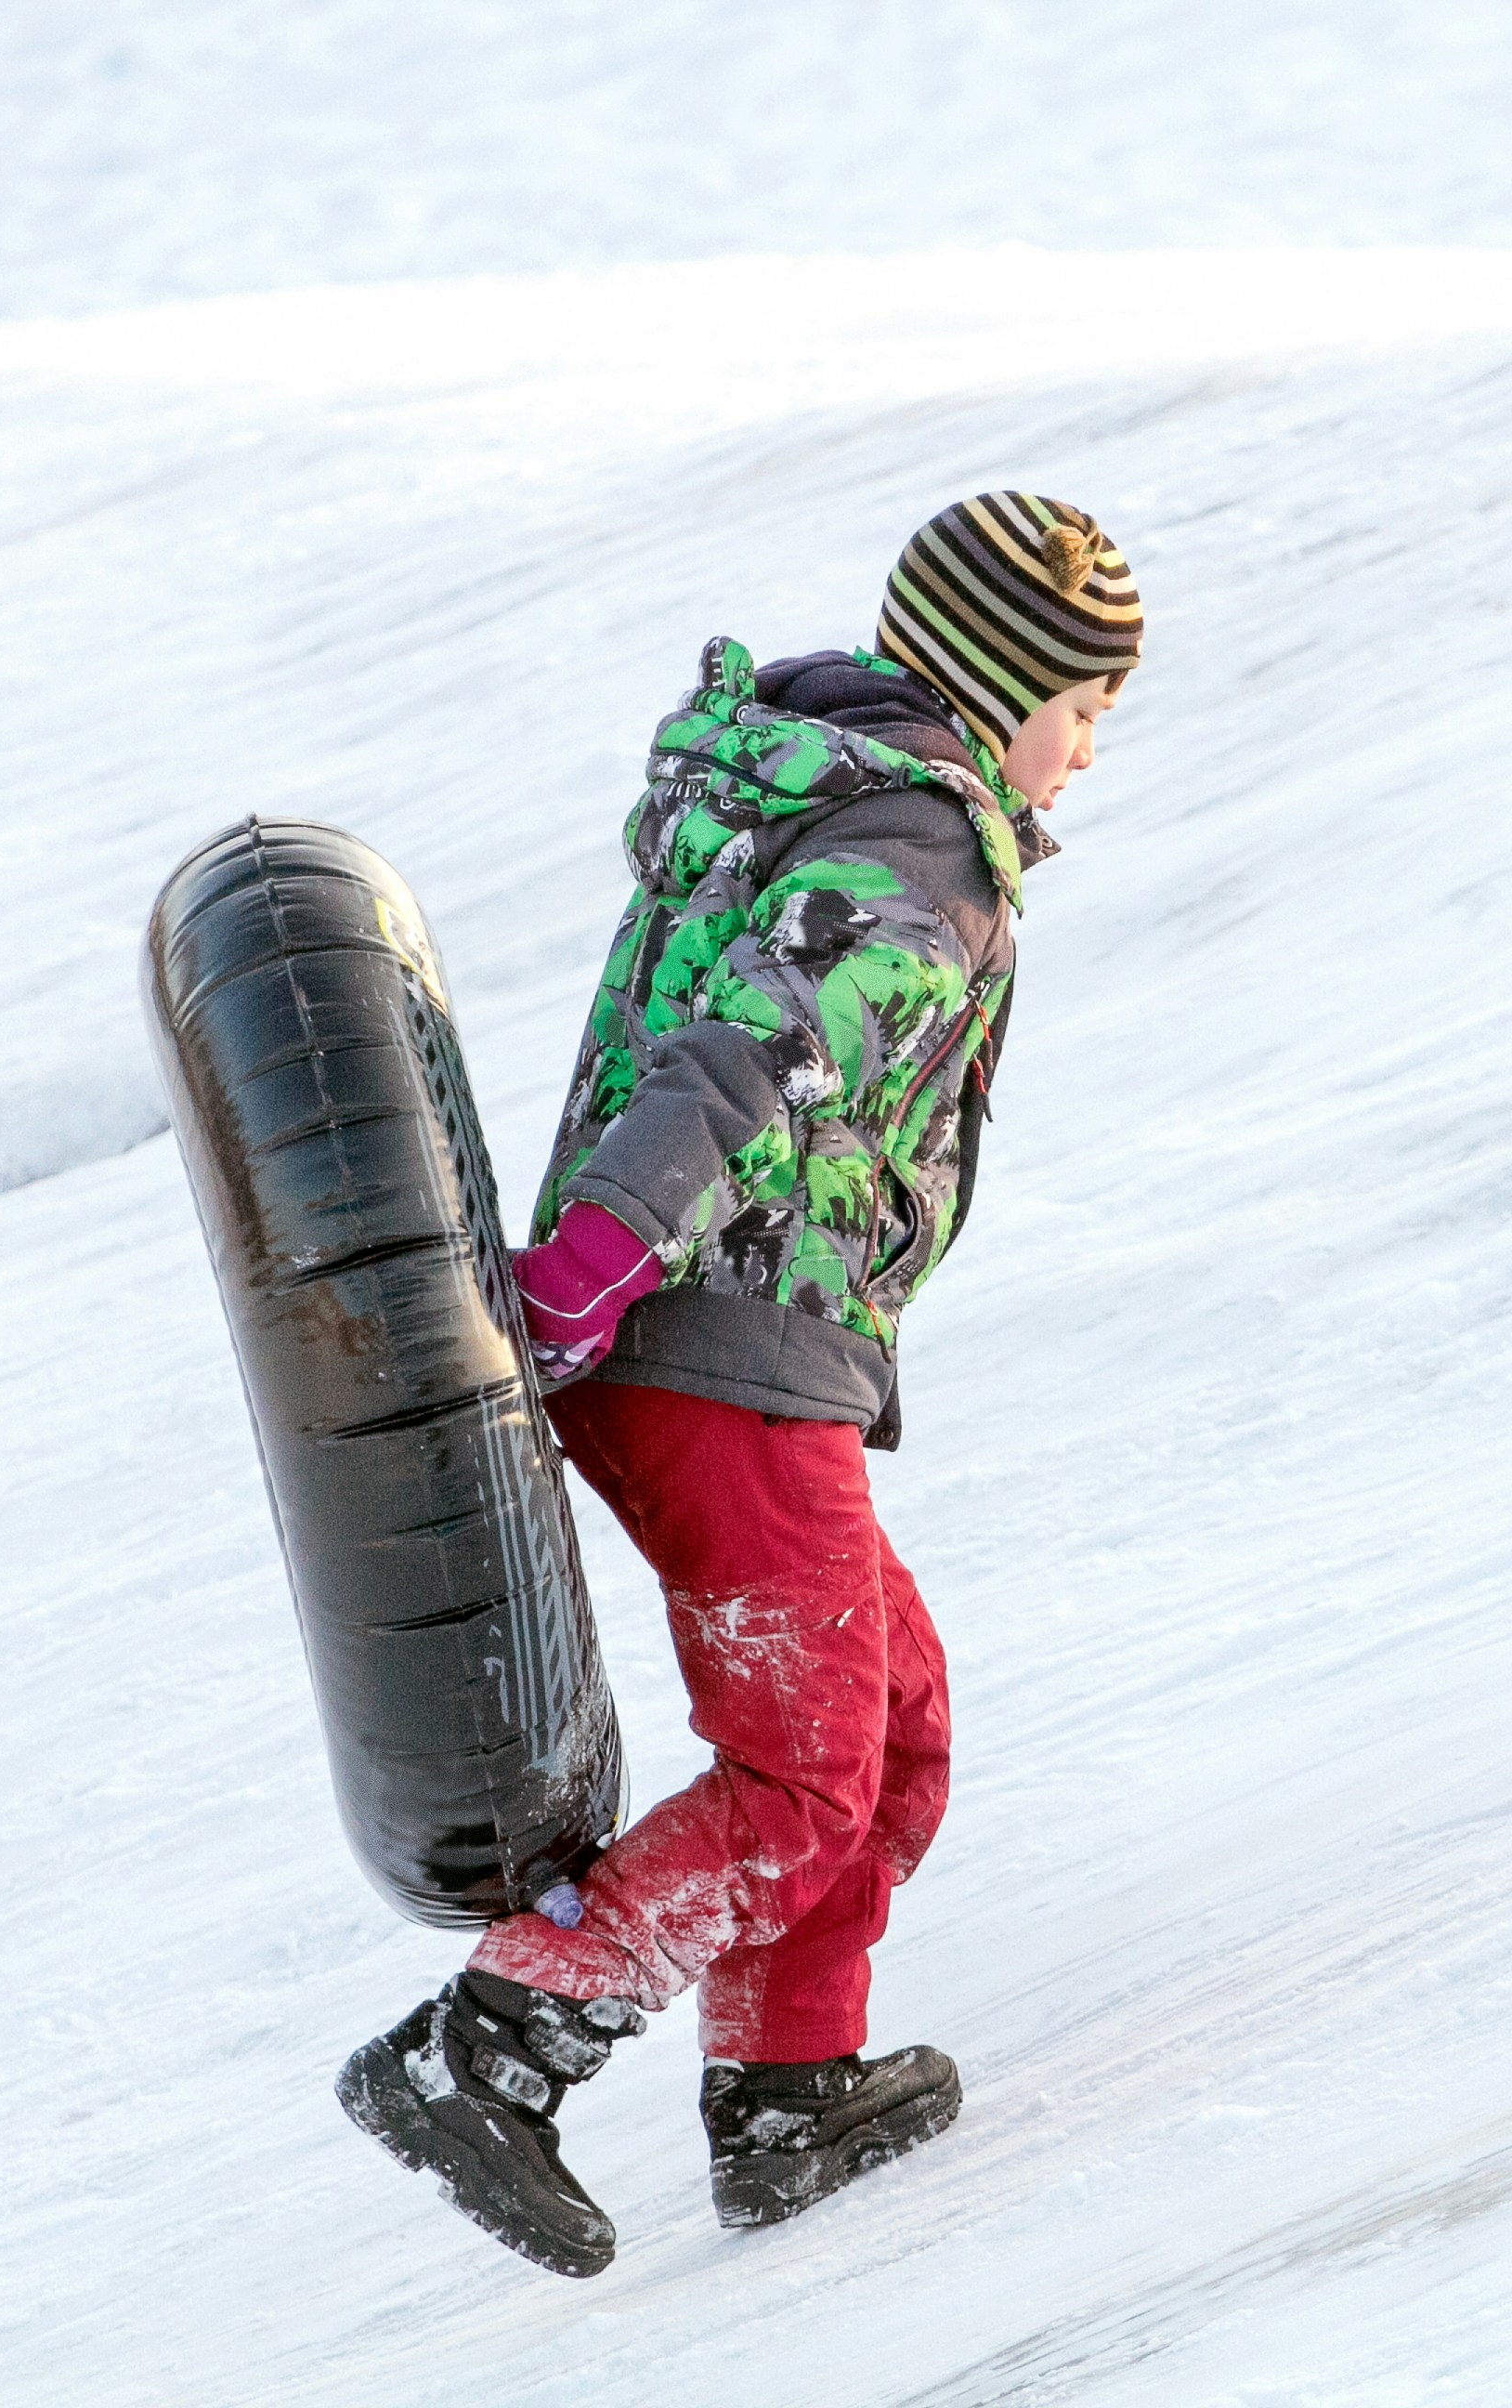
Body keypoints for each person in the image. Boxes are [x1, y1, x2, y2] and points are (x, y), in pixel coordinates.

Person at [334, 492, 1143, 2275]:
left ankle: (793, 2091)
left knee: (891, 1726)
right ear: (1010, 684)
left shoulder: (826, 795)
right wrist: (611, 1252)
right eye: (1086, 706)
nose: (1090, 753)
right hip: (716, 1350)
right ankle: (490, 2049)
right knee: (804, 1773)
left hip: (718, 1347)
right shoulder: (917, 850)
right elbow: (752, 1053)